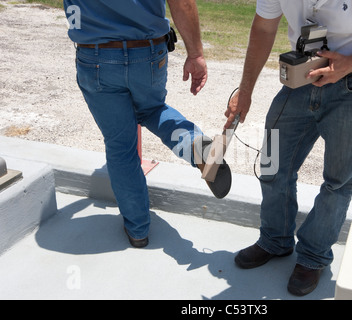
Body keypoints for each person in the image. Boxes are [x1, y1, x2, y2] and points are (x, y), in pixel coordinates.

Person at [225, 0, 352, 296]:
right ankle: (275, 240)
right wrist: (246, 89)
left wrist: (351, 63)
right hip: (300, 75)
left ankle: (313, 256)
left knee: (338, 181)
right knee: (272, 162)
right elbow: (264, 26)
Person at [63, 0, 231, 248]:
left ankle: (138, 230)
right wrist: (195, 54)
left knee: (121, 144)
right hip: (147, 51)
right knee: (154, 110)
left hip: (95, 53)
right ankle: (200, 149)